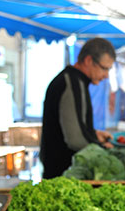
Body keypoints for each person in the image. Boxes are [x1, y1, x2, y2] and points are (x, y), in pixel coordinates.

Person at [40, 37, 115, 179]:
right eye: (104, 68)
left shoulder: (76, 81)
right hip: (63, 175)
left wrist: (93, 134)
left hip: (64, 174)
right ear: (88, 61)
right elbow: (75, 139)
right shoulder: (71, 83)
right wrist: (102, 147)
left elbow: (72, 124)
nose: (106, 75)